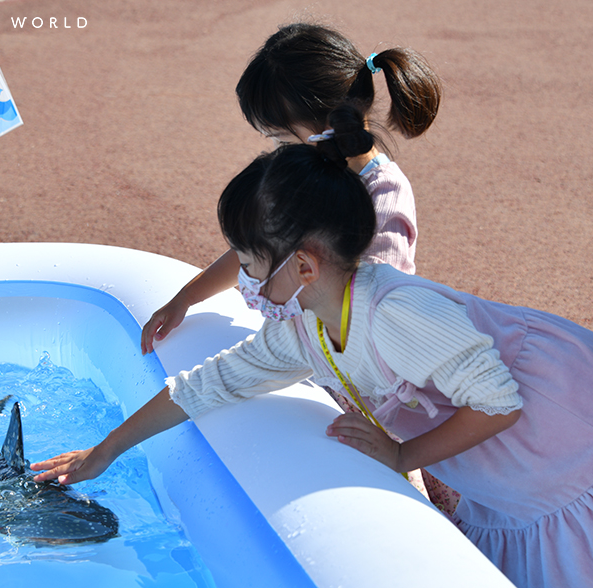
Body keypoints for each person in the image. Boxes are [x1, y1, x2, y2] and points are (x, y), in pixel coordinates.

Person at [32, 108, 593, 588]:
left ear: (303, 265)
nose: (244, 282)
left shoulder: (395, 312)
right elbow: (206, 384)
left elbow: (499, 402)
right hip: (511, 473)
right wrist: (105, 451)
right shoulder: (306, 329)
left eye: (249, 264)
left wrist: (401, 457)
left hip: (562, 443)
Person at [140, 22, 442, 356]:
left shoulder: (383, 197)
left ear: (327, 127)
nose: (275, 150)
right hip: (315, 346)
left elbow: (376, 312)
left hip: (364, 363)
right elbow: (258, 246)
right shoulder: (312, 169)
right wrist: (186, 298)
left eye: (281, 138)